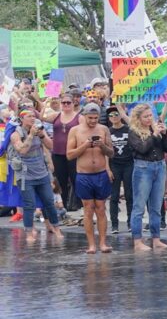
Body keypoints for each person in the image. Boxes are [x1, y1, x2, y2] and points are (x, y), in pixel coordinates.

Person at [66, 103, 114, 254]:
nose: (93, 121)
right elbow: (69, 155)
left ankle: (103, 243)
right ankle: (91, 245)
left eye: (96, 118)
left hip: (100, 174)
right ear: (84, 116)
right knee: (88, 210)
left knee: (101, 209)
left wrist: (102, 146)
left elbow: (111, 153)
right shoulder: (75, 131)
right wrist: (85, 145)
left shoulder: (104, 129)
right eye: (90, 118)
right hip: (84, 175)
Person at [9, 109, 64, 243]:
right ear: (22, 119)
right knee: (29, 205)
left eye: (34, 116)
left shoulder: (39, 130)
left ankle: (56, 228)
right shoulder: (16, 134)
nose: (33, 118)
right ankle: (29, 232)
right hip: (25, 175)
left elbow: (51, 146)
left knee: (49, 202)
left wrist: (41, 136)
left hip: (41, 173)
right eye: (29, 116)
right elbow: (22, 150)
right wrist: (30, 136)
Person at [128, 104, 167, 251]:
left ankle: (156, 239)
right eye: (145, 116)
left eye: (150, 116)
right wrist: (154, 135)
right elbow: (142, 148)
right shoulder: (133, 131)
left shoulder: (155, 127)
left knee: (156, 206)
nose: (148, 119)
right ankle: (137, 241)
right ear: (138, 118)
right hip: (143, 168)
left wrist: (164, 134)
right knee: (139, 207)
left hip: (159, 166)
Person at [46, 92, 80, 209]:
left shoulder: (79, 117)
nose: (66, 104)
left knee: (76, 179)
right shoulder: (56, 115)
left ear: (73, 103)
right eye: (63, 102)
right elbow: (41, 117)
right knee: (60, 181)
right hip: (58, 153)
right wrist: (45, 102)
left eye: (68, 102)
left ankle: (78, 204)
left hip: (73, 153)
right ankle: (63, 205)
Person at [106, 105, 133, 234]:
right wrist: (107, 169)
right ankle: (115, 225)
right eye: (110, 115)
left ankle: (130, 223)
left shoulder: (128, 129)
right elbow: (105, 152)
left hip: (128, 164)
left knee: (129, 195)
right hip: (114, 165)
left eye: (116, 114)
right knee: (114, 196)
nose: (114, 117)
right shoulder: (108, 131)